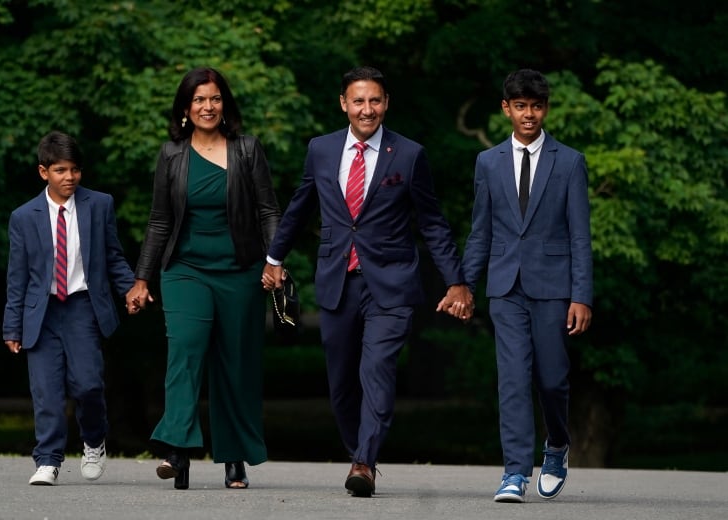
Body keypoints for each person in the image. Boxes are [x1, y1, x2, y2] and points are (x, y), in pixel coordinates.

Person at [262, 66, 472, 497]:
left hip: (391, 283)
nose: (367, 109)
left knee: (377, 369)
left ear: (386, 103)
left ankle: (365, 461)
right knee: (341, 383)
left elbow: (432, 222)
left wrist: (456, 281)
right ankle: (358, 450)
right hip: (338, 280)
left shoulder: (409, 154)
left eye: (375, 100)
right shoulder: (321, 150)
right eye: (358, 101)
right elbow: (301, 206)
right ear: (344, 104)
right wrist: (274, 258)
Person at [125, 67, 280, 490]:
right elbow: (159, 220)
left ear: (224, 103)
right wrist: (142, 279)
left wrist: (275, 260)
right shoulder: (172, 154)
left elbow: (268, 210)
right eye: (198, 100)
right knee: (186, 351)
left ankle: (233, 459)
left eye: (214, 99)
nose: (207, 107)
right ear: (185, 109)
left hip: (241, 271)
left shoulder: (247, 149)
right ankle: (177, 451)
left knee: (235, 364)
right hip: (185, 270)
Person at [448, 68, 593, 502]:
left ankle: (557, 445)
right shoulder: (487, 162)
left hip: (553, 287)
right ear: (506, 109)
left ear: (545, 109)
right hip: (505, 287)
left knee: (552, 379)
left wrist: (581, 295)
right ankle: (514, 472)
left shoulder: (569, 161)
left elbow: (580, 235)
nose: (528, 114)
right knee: (512, 379)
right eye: (520, 106)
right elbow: (480, 232)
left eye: (536, 106)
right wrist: (464, 284)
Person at [2, 131, 135, 485]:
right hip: (40, 312)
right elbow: (17, 276)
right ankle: (47, 459)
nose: (69, 177)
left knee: (88, 384)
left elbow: (113, 257)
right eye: (61, 170)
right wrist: (11, 326)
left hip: (81, 306)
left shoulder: (99, 204)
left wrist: (130, 289)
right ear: (44, 172)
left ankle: (93, 440)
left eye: (75, 169)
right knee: (46, 390)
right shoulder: (24, 217)